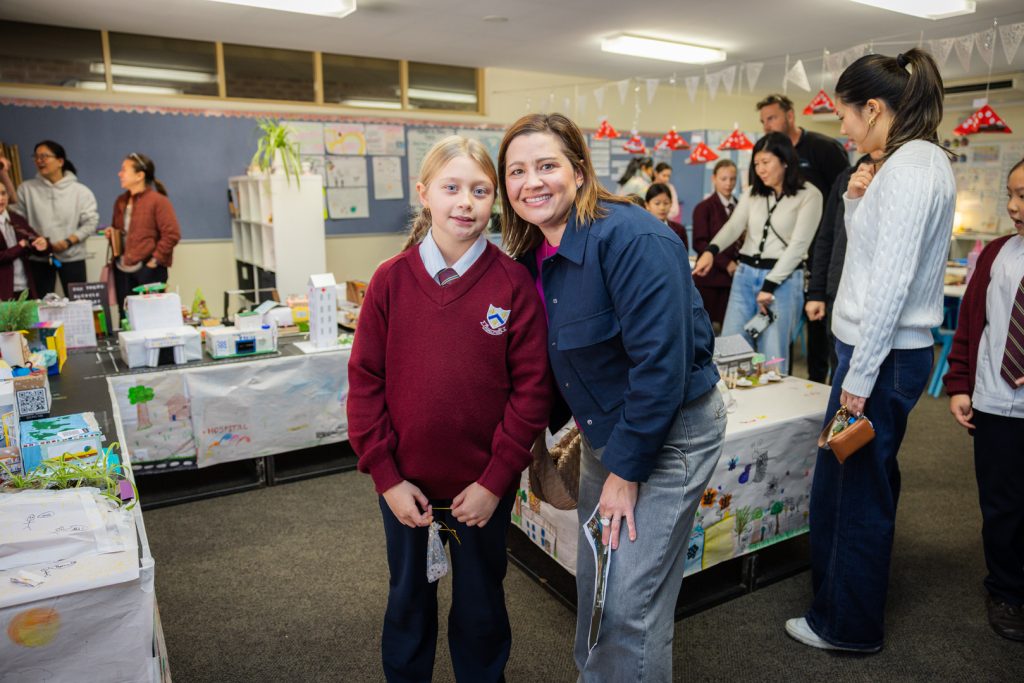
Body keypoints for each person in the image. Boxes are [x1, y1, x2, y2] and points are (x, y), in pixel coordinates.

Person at [500, 113, 725, 681]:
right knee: (598, 578)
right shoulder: (533, 252)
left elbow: (661, 367)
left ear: (579, 171)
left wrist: (626, 472)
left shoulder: (634, 238)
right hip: (606, 429)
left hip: (667, 433)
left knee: (629, 602)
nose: (532, 182)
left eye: (546, 166)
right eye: (517, 171)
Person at [347, 135, 551, 682]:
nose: (466, 202)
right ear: (424, 194)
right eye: (451, 188)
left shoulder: (513, 284)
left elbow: (532, 392)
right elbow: (365, 384)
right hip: (404, 487)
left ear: (495, 201)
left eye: (480, 191)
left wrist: (495, 480)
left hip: (482, 490)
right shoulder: (390, 281)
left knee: (482, 606)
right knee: (408, 602)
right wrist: (387, 478)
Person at [786, 49, 957, 653]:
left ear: (875, 108)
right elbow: (869, 257)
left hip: (878, 359)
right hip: (872, 353)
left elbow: (890, 284)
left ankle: (847, 626)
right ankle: (835, 605)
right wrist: (857, 199)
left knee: (856, 492)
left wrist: (859, 376)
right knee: (849, 483)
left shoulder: (912, 169)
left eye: (845, 115)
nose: (844, 128)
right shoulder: (903, 164)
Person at [944, 158, 1024, 643]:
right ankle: (1007, 589)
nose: (1014, 206)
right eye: (1010, 195)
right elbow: (971, 325)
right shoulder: (997, 253)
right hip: (996, 401)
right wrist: (959, 383)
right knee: (1002, 504)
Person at [693, 133, 822, 375]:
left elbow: (799, 246)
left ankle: (772, 399)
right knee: (729, 350)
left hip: (782, 282)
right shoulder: (753, 193)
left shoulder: (809, 195)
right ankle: (734, 399)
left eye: (766, 162)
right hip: (744, 275)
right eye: (756, 164)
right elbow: (734, 226)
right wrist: (711, 250)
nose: (760, 169)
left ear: (785, 161)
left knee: (772, 357)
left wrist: (770, 285)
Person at [759, 94, 850, 383]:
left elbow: (845, 196)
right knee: (780, 328)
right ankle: (781, 381)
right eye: (763, 121)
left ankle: (817, 384)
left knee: (818, 324)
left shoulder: (824, 148)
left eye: (771, 118)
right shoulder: (767, 153)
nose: (766, 125)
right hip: (784, 255)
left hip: (821, 250)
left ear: (790, 116)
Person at [9, 140, 99, 296]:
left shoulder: (80, 191)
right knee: (41, 303)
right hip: (38, 258)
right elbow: (18, 221)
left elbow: (91, 222)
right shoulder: (26, 189)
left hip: (72, 256)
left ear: (60, 161)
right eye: (36, 157)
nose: (39, 161)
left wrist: (68, 241)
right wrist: (36, 242)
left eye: (44, 156)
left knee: (78, 302)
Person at [105, 153, 181, 320]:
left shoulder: (158, 201)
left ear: (140, 175)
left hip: (148, 269)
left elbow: (172, 234)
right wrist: (112, 234)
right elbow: (120, 229)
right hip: (122, 268)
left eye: (124, 170)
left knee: (152, 317)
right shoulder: (121, 201)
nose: (120, 174)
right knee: (125, 315)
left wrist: (154, 261)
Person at [691, 159, 740, 327]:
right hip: (710, 279)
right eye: (723, 178)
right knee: (705, 329)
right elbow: (699, 242)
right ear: (714, 179)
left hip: (734, 279)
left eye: (732, 179)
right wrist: (726, 263)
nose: (729, 183)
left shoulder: (740, 206)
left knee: (731, 330)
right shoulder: (703, 207)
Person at [0, 184, 49, 299]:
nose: (1, 198)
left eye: (3, 193)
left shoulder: (17, 218)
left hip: (26, 287)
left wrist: (43, 244)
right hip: (3, 291)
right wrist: (20, 247)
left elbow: (34, 242)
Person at [644, 182, 688, 249]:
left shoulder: (680, 230)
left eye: (666, 203)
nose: (662, 208)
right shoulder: (642, 230)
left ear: (671, 204)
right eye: (657, 203)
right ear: (647, 205)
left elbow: (683, 253)